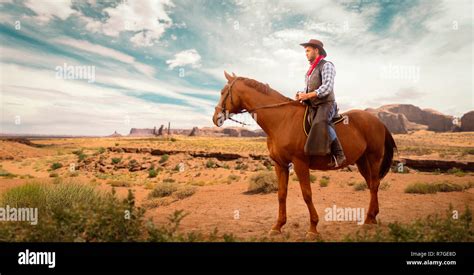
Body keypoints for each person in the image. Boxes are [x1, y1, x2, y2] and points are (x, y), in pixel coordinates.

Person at [295, 39, 346, 167]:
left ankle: (339, 154)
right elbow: (309, 89)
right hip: (313, 104)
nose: (305, 53)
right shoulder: (310, 70)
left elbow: (327, 87)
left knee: (320, 122)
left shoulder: (327, 65)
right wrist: (301, 94)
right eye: (305, 51)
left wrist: (308, 95)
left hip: (326, 104)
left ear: (316, 50)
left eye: (308, 50)